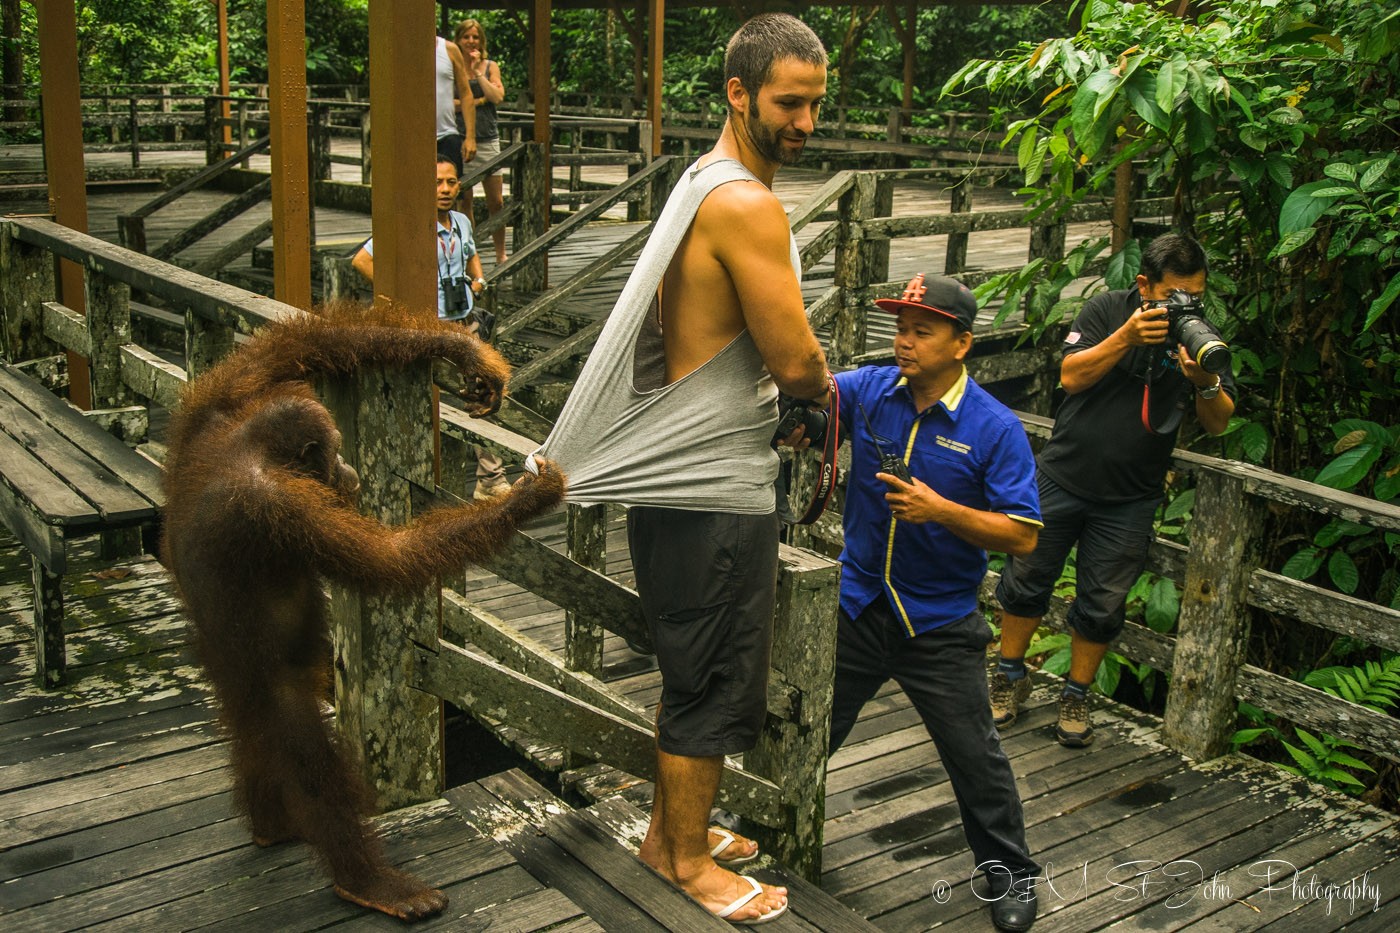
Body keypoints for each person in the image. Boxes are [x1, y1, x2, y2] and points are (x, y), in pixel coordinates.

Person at [525, 13, 831, 924]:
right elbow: (798, 364)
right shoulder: (747, 203)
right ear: (738, 94)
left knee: (690, 662)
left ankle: (671, 830)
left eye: (816, 104)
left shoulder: (700, 180)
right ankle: (686, 863)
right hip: (710, 485)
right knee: (713, 675)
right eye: (789, 102)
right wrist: (821, 388)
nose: (806, 123)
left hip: (675, 480)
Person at [827, 274, 1042, 932]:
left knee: (975, 755)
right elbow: (810, 384)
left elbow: (1025, 533)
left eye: (923, 330)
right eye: (901, 327)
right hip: (860, 602)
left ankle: (1010, 874)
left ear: (962, 343)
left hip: (940, 621)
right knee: (808, 725)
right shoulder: (870, 391)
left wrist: (939, 510)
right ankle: (758, 819)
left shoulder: (993, 427)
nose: (906, 341)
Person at [991, 233, 1236, 749]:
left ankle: (1077, 694)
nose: (1185, 306)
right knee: (1026, 578)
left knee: (1103, 604)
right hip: (1063, 476)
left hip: (1132, 494)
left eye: (1195, 295)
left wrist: (1204, 383)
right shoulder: (1108, 309)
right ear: (1145, 284)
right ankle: (1008, 676)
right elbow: (1070, 376)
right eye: (1175, 296)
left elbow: (1218, 424)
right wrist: (1127, 336)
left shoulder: (1199, 334)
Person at [351, 157, 510, 500]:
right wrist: (398, 301)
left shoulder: (462, 222)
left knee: (482, 391)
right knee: (430, 394)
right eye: (438, 182)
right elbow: (362, 260)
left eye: (451, 182)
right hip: (430, 327)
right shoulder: (410, 225)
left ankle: (490, 479)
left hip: (463, 321)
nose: (445, 189)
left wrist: (479, 281)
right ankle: (423, 476)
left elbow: (471, 256)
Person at [455, 18, 508, 265]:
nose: (471, 41)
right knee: (464, 201)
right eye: (466, 37)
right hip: (461, 138)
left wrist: (477, 72)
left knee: (495, 201)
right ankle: (470, 254)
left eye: (475, 37)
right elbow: (449, 103)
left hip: (488, 138)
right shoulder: (452, 66)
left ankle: (500, 253)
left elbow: (497, 96)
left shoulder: (489, 66)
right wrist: (477, 102)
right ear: (458, 40)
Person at [436, 33, 476, 177]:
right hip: (413, 135)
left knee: (454, 191)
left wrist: (470, 137)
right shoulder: (404, 49)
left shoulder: (449, 49)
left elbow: (466, 94)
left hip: (447, 134)